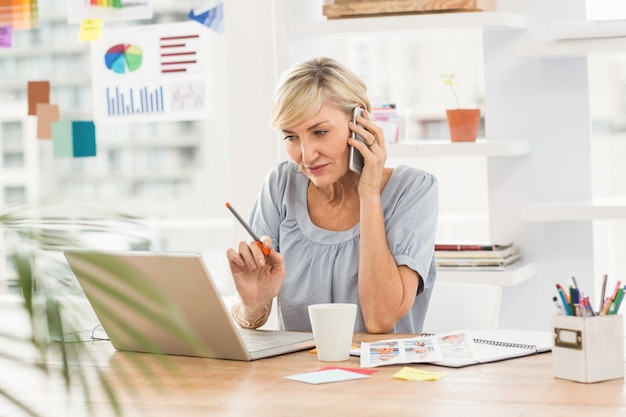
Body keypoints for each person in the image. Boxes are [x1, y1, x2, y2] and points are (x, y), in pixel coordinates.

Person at [226, 56, 438, 334]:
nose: (306, 155)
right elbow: (252, 317)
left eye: (320, 132)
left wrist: (369, 194)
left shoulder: (413, 189)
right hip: (300, 374)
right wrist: (253, 303)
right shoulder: (281, 184)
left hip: (384, 375)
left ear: (359, 121)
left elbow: (379, 319)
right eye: (291, 137)